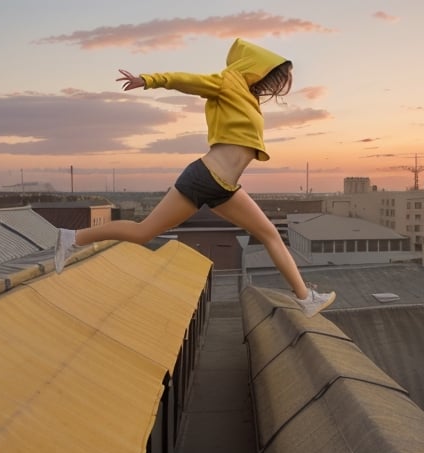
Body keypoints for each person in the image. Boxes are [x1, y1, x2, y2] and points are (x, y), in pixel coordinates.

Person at [55, 38, 336, 317]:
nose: (273, 84)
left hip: (224, 187)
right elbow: (187, 80)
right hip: (205, 177)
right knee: (144, 232)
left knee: (269, 234)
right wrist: (148, 80)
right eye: (273, 76)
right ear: (256, 65)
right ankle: (72, 238)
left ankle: (305, 298)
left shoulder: (247, 96)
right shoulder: (228, 81)